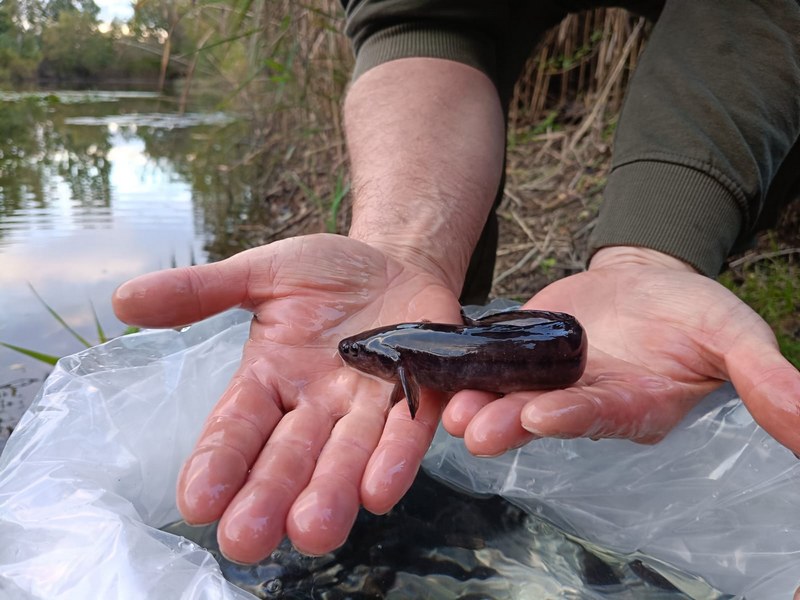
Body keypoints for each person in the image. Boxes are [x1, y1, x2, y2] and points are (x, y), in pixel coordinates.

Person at [113, 0, 800, 565]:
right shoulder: (404, 352)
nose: (354, 355)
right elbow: (421, 16)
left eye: (361, 353)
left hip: (554, 345)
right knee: (453, 321)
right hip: (551, 345)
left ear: (395, 363)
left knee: (468, 380)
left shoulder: (405, 360)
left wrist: (653, 252)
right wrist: (402, 246)